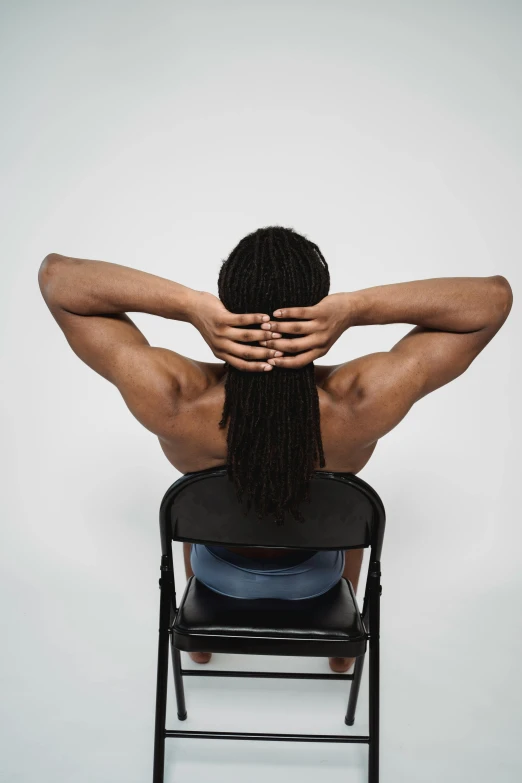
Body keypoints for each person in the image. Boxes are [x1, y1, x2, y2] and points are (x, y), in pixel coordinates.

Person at [38, 225, 513, 673]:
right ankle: (342, 650)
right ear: (318, 309)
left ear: (228, 303)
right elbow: (492, 300)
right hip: (318, 582)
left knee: (198, 496)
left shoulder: (175, 398)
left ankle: (198, 640)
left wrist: (188, 305)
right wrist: (356, 308)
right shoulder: (360, 403)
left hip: (216, 574)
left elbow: (58, 278)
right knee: (344, 500)